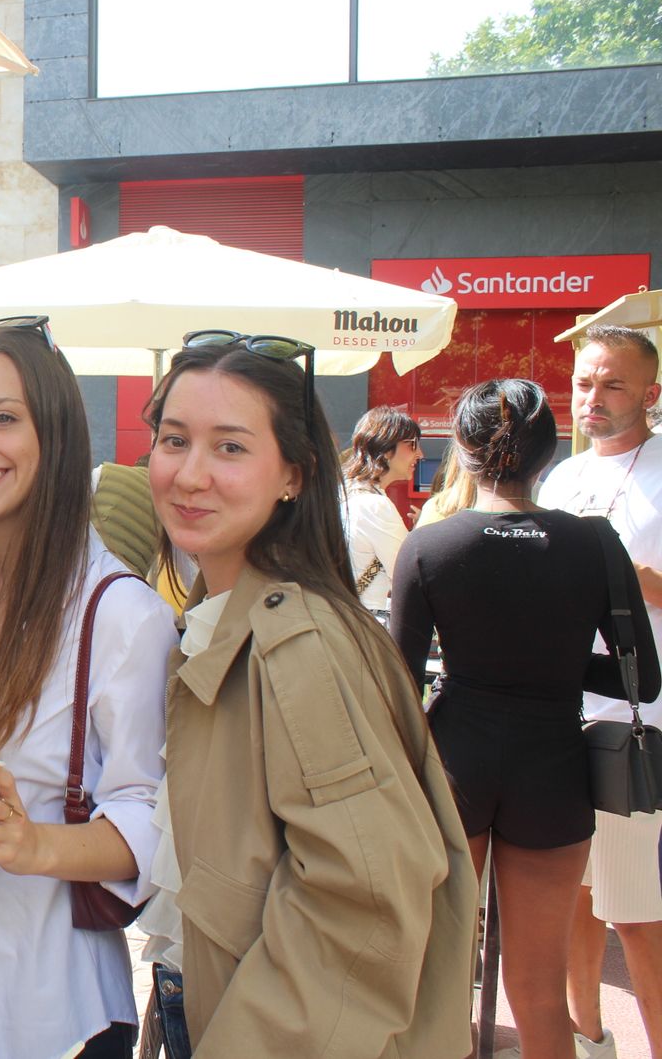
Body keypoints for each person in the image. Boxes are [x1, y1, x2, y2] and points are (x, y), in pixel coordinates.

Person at [146, 333, 476, 1058]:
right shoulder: (222, 614)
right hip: (215, 993)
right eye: (174, 440)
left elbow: (363, 903)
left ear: (293, 474)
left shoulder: (301, 642)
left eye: (229, 447)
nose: (189, 474)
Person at [0, 317, 177, 1059]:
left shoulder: (119, 611)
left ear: (53, 432)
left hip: (56, 1010)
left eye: (1, 417)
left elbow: (150, 821)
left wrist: (33, 844)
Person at [391, 379, 659, 1059]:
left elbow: (397, 680)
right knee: (539, 992)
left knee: (439, 980)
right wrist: (560, 665)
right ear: (549, 453)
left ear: (462, 448)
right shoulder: (595, 543)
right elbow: (643, 678)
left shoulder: (429, 545)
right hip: (554, 765)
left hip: (456, 761)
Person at [541, 324, 662, 1059]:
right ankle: (589, 1039)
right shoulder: (561, 478)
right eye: (585, 382)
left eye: (612, 383)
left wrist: (629, 581)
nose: (592, 397)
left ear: (651, 394)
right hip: (561, 718)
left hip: (638, 722)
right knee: (573, 902)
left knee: (639, 916)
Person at [342, 405, 422, 611]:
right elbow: (408, 574)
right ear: (386, 450)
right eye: (412, 445)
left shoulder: (346, 493)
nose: (420, 454)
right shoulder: (374, 506)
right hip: (367, 619)